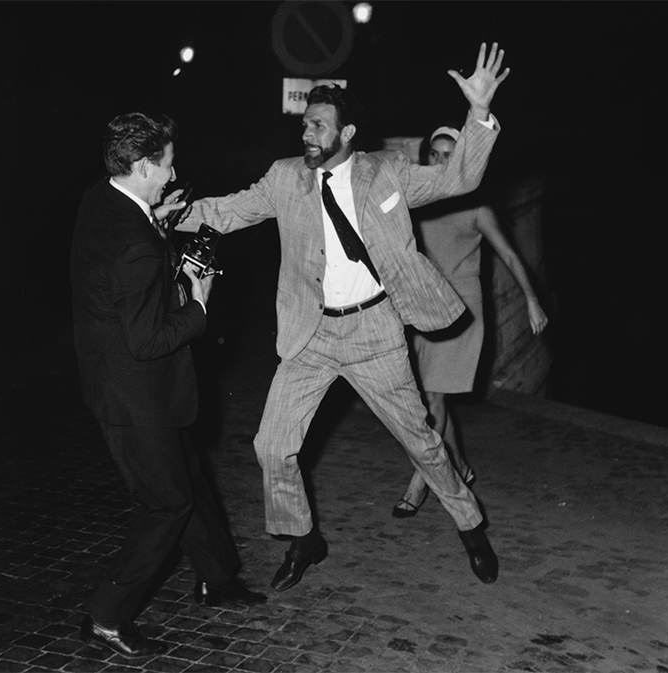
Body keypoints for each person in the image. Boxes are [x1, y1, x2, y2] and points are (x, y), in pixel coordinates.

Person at [176, 43, 509, 588]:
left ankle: (470, 524)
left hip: (376, 331)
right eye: (305, 124)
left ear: (347, 134)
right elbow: (228, 210)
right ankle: (304, 538)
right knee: (271, 445)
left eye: (320, 126)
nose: (307, 134)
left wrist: (478, 114)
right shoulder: (286, 178)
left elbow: (458, 181)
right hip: (312, 334)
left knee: (421, 441)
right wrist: (165, 213)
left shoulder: (388, 174)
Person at [69, 112, 266, 661]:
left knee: (192, 482)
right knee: (167, 503)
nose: (172, 174)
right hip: (134, 394)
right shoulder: (133, 244)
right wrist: (198, 304)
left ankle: (217, 578)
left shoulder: (101, 197)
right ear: (140, 165)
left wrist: (158, 225)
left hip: (135, 383)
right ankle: (106, 616)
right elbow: (149, 340)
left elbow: (125, 280)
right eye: (166, 165)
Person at [391, 125, 549, 518]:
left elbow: (511, 256)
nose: (443, 162)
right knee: (430, 397)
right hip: (424, 306)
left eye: (451, 155)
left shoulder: (477, 207)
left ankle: (419, 480)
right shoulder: (415, 200)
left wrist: (532, 301)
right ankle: (459, 466)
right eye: (436, 155)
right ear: (427, 159)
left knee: (432, 399)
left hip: (461, 311)